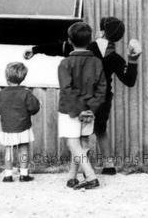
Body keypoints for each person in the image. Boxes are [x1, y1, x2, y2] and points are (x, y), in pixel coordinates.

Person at [25, 16, 140, 175]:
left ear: (101, 32)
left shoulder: (86, 49)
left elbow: (59, 48)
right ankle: (109, 165)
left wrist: (35, 49)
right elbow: (130, 80)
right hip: (102, 99)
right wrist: (133, 59)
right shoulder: (115, 58)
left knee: (79, 135)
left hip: (82, 98)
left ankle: (84, 170)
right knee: (100, 130)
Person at [57, 22, 107, 190]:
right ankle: (72, 176)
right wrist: (90, 108)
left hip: (69, 110)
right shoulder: (97, 63)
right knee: (83, 143)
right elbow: (102, 89)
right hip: (89, 111)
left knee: (73, 144)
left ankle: (91, 176)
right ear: (90, 39)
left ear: (70, 40)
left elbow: (67, 89)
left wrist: (78, 110)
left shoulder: (65, 63)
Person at [0, 62, 41, 182]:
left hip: (7, 126)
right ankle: (24, 174)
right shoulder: (26, 93)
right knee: (23, 148)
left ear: (7, 77)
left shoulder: (0, 94)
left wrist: (5, 113)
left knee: (8, 150)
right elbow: (34, 108)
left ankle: (8, 175)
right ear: (23, 77)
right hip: (23, 126)